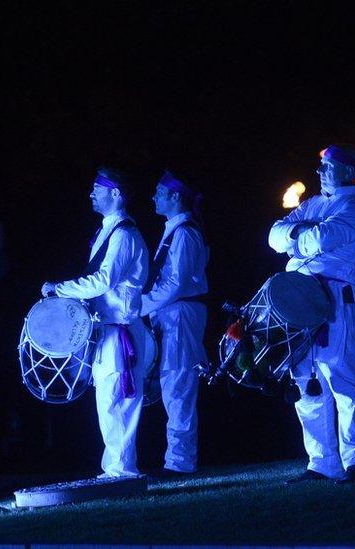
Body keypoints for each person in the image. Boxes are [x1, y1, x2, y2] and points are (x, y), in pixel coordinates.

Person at [269, 144, 355, 483]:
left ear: (348, 171)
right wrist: (301, 232)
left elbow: (323, 238)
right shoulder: (313, 204)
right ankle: (321, 461)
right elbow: (274, 235)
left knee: (341, 376)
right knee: (306, 381)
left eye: (327, 166)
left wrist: (297, 234)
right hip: (302, 299)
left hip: (335, 299)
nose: (319, 172)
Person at [41, 168, 151, 477]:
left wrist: (60, 288)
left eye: (96, 188)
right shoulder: (110, 230)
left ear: (115, 193)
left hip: (121, 330)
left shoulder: (124, 234)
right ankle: (116, 469)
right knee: (109, 400)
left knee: (117, 399)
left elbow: (104, 280)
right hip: (110, 329)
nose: (91, 194)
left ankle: (122, 472)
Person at [140, 170, 209, 475]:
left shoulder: (184, 233)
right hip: (171, 313)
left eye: (159, 192)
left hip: (179, 313)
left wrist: (138, 305)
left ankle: (179, 463)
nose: (154, 197)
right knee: (172, 384)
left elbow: (176, 282)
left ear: (176, 197)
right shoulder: (175, 231)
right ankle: (176, 460)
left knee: (178, 383)